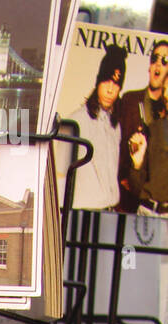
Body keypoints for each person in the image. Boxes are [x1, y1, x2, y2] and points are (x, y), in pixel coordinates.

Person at [65, 43, 127, 210]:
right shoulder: (77, 121)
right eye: (106, 80)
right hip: (82, 212)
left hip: (109, 209)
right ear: (98, 81)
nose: (110, 89)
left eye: (116, 83)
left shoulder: (116, 126)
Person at [119, 39, 168, 213]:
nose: (158, 64)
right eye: (154, 59)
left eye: (165, 60)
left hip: (155, 205)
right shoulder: (130, 101)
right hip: (127, 199)